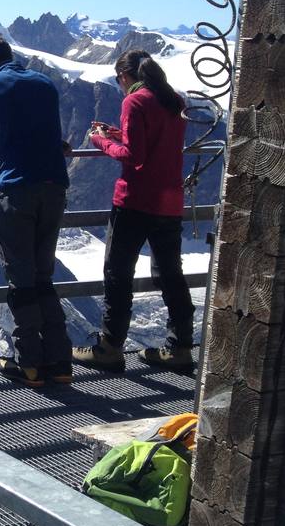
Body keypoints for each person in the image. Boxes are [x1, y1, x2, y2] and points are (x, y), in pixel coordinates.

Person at [0, 35, 72, 387]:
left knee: (20, 280)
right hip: (55, 186)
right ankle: (61, 362)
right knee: (42, 276)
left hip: (17, 189)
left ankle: (30, 364)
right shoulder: (44, 82)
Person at [72, 49, 194, 372]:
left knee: (117, 272)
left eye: (118, 79)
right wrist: (115, 131)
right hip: (169, 202)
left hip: (136, 202)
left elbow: (133, 155)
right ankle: (180, 347)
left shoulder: (134, 102)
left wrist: (100, 141)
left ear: (126, 76)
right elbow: (156, 143)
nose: (119, 85)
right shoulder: (174, 101)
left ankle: (109, 348)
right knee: (170, 274)